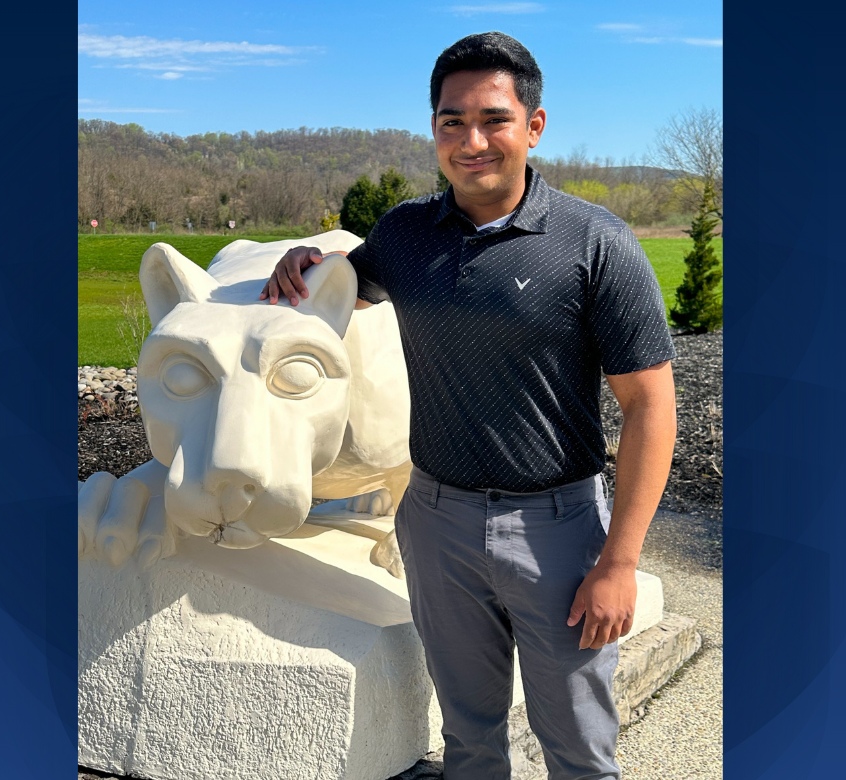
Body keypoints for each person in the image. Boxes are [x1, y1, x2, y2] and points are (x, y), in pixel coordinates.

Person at [258, 31, 677, 780]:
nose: (471, 141)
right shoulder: (407, 235)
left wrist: (620, 561)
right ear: (434, 130)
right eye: (452, 122)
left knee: (580, 749)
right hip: (436, 522)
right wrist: (301, 260)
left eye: (493, 119)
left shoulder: (596, 245)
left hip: (557, 533)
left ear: (534, 126)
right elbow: (344, 283)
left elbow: (651, 408)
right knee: (469, 740)